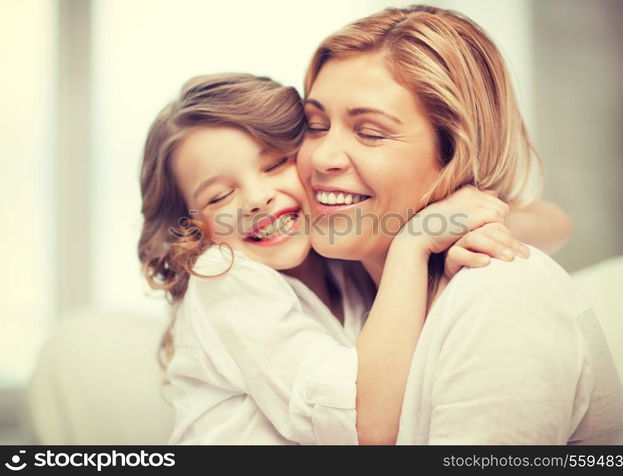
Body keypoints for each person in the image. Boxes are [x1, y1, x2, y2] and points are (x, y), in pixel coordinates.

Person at [137, 72, 570, 444]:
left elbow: (553, 224)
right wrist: (412, 244)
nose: (256, 199)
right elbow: (364, 431)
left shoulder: (341, 252)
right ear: (195, 229)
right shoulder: (224, 276)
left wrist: (461, 218)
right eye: (219, 196)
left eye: (274, 165)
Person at [296, 4, 623, 444]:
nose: (322, 157)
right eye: (315, 125)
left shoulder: (500, 293)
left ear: (454, 150)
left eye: (371, 132)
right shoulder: (335, 282)